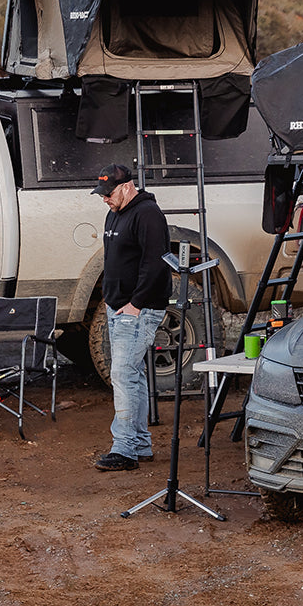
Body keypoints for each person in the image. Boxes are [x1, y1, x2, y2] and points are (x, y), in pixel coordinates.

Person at [90, 163, 171, 472]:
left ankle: (124, 449)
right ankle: (139, 444)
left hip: (138, 309)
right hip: (117, 307)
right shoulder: (114, 212)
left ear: (126, 187)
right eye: (102, 195)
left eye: (108, 194)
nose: (105, 199)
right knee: (132, 375)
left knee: (123, 375)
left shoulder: (148, 214)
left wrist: (136, 303)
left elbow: (156, 263)